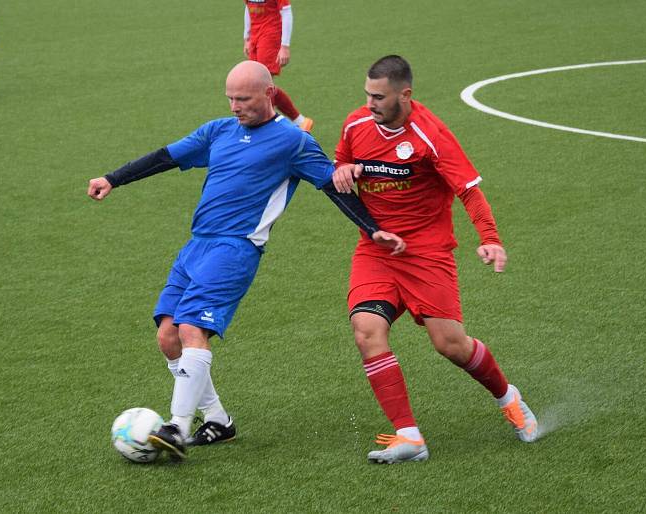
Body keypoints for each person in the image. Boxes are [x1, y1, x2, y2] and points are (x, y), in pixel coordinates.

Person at [87, 60, 405, 462]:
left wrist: (372, 228)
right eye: (231, 98)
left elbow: (332, 185)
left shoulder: (293, 142)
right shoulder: (218, 130)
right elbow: (166, 156)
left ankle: (177, 428)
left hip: (235, 248)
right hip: (197, 246)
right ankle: (218, 421)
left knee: (190, 330)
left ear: (269, 95)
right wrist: (112, 179)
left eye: (244, 99)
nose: (236, 106)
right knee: (167, 337)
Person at [332, 55, 539, 464]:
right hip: (376, 250)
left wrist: (490, 239)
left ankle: (507, 397)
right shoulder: (356, 124)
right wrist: (343, 169)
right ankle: (409, 436)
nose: (369, 103)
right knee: (366, 330)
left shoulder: (430, 134)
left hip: (426, 252)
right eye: (367, 94)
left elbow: (469, 191)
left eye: (379, 96)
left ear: (405, 95)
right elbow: (340, 161)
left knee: (451, 345)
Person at [244, 0, 313, 131]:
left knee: (262, 85)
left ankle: (269, 130)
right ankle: (301, 122)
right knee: (261, 84)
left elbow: (286, 12)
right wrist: (246, 37)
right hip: (255, 35)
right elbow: (248, 7)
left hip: (271, 35)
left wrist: (285, 46)